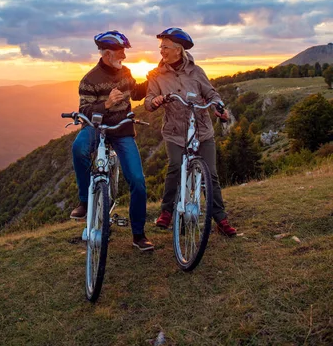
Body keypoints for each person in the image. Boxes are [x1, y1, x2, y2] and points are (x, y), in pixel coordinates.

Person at [144, 27, 237, 237]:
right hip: (175, 133)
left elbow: (212, 93)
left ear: (178, 49)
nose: (161, 51)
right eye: (161, 47)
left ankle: (220, 219)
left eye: (165, 47)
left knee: (210, 175)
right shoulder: (156, 75)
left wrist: (218, 107)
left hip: (202, 131)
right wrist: (155, 100)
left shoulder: (196, 72)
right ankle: (167, 211)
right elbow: (148, 101)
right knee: (175, 166)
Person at [71, 30, 154, 252]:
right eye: (120, 52)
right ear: (108, 54)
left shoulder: (125, 73)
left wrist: (151, 80)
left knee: (137, 180)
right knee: (78, 148)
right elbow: (84, 111)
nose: (124, 57)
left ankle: (138, 234)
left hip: (121, 129)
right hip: (96, 127)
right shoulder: (89, 80)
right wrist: (106, 105)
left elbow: (136, 93)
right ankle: (85, 201)